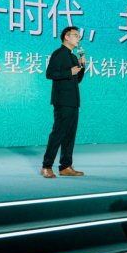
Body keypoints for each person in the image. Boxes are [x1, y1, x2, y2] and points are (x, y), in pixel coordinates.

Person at [41, 26, 86, 178]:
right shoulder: (59, 53)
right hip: (62, 100)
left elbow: (77, 80)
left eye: (78, 36)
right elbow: (49, 74)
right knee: (58, 133)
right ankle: (46, 166)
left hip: (73, 100)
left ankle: (65, 166)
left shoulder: (73, 57)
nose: (78, 38)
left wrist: (82, 66)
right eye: (75, 35)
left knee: (70, 134)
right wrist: (69, 72)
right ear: (66, 37)